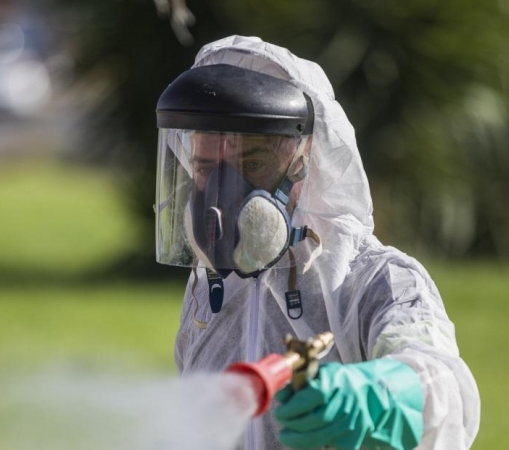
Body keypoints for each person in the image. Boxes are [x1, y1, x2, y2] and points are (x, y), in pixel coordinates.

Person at [154, 35, 480, 450]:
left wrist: (381, 398)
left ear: (304, 162)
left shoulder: (375, 280)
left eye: (251, 163)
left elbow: (447, 388)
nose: (220, 195)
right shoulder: (210, 290)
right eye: (204, 167)